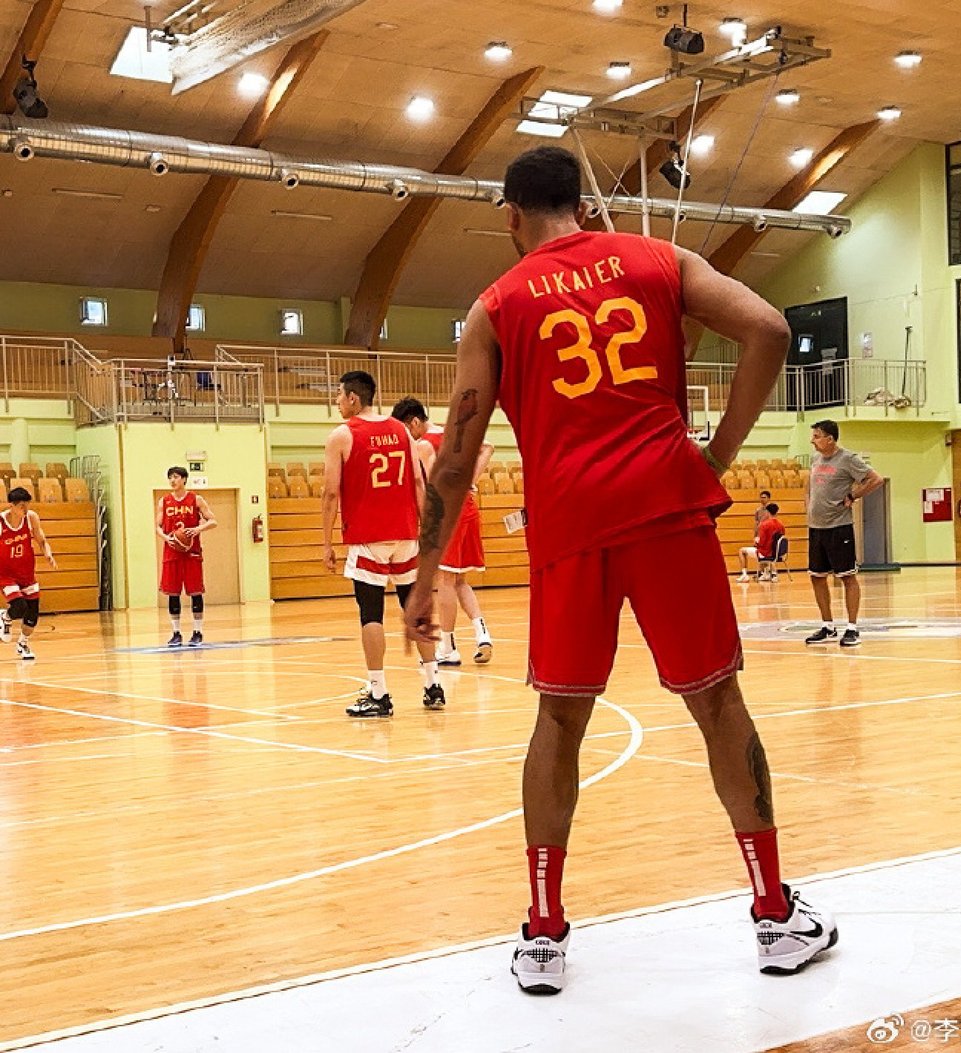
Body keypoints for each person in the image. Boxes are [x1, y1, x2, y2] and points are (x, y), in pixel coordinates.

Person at [404, 145, 837, 994]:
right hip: (669, 512)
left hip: (571, 526)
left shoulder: (494, 306)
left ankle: (542, 933)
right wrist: (716, 451)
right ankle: (775, 915)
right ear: (585, 206)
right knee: (718, 705)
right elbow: (771, 329)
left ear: (511, 217)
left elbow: (455, 455)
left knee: (559, 724)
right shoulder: (657, 258)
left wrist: (424, 573)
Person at [322, 372, 446, 717]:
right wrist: (427, 533)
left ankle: (378, 693)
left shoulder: (343, 436)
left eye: (338, 395)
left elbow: (331, 492)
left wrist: (326, 542)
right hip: (406, 535)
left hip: (368, 537)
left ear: (353, 399)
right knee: (416, 608)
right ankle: (433, 685)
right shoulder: (402, 430)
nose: (336, 402)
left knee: (370, 614)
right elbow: (420, 484)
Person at [392, 396, 494, 666]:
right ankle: (481, 631)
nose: (406, 438)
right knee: (460, 580)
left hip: (449, 513)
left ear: (414, 422)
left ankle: (447, 648)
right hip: (469, 509)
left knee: (445, 580)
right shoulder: (451, 433)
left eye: (405, 430)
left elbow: (427, 490)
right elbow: (488, 448)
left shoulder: (424, 445)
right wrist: (469, 482)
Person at [804, 420, 884, 648]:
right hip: (816, 528)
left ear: (830, 439)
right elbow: (808, 486)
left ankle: (852, 628)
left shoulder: (848, 459)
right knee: (816, 577)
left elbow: (875, 479)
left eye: (817, 436)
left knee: (847, 577)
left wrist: (854, 495)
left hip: (839, 527)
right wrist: (808, 507)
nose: (813, 440)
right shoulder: (815, 459)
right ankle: (828, 626)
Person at [156, 467, 216, 647]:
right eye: (170, 478)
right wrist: (166, 537)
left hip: (192, 552)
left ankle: (197, 632)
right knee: (173, 593)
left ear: (184, 479)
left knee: (195, 591)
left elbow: (213, 521)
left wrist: (197, 529)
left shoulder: (196, 499)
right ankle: (176, 633)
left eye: (175, 477)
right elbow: (157, 526)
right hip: (172, 552)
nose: (172, 481)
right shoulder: (164, 501)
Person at [0, 487, 58, 660]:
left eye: (27, 505)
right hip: (6, 574)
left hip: (26, 572)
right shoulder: (1, 522)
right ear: (12, 505)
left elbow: (42, 540)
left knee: (32, 612)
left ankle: (23, 644)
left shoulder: (31, 518)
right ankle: (5, 617)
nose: (25, 509)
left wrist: (48, 553)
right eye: (21, 507)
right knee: (19, 607)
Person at [738, 489, 772, 581]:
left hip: (766, 536)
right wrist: (755, 536)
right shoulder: (758, 510)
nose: (762, 499)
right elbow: (757, 524)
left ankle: (765, 572)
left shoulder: (771, 510)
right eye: (761, 498)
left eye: (764, 497)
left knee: (763, 551)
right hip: (760, 535)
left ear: (768, 498)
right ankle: (763, 572)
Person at [753, 502, 786, 581]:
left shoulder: (764, 524)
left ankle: (745, 574)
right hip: (778, 552)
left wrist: (756, 542)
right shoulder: (781, 525)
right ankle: (767, 573)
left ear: (767, 512)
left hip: (767, 552)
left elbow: (762, 543)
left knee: (742, 551)